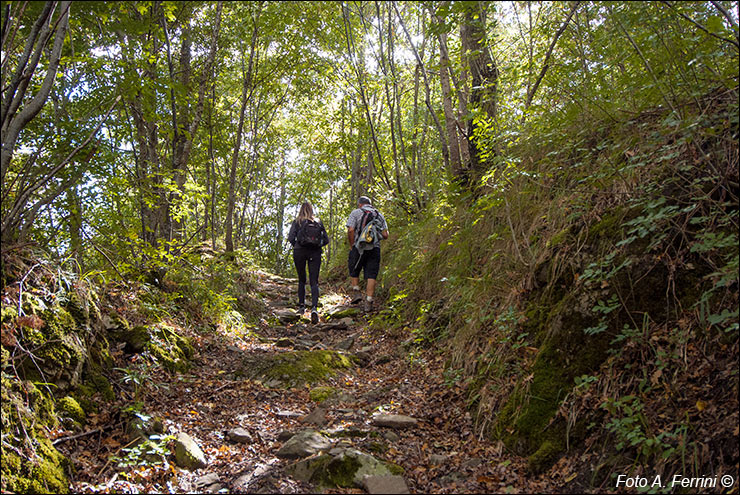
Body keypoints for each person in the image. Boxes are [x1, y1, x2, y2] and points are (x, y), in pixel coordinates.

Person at [288, 202, 329, 324]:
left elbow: (291, 238)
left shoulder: (297, 222)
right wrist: (317, 245)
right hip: (315, 253)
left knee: (302, 279)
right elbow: (326, 239)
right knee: (314, 281)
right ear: (312, 210)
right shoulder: (317, 222)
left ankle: (301, 307)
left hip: (299, 251)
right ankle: (314, 308)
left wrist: (297, 244)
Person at [346, 195, 389, 313]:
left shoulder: (355, 212)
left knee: (354, 268)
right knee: (371, 274)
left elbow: (350, 230)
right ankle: (369, 301)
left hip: (358, 246)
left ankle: (356, 292)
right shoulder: (379, 214)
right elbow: (386, 235)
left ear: (360, 204)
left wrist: (352, 244)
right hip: (374, 248)